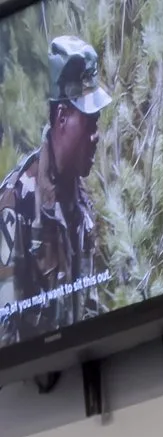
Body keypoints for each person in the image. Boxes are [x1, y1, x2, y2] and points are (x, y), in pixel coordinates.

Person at [1, 36, 112, 346]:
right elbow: (5, 338)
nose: (96, 136)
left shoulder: (81, 200)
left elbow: (91, 304)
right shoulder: (16, 202)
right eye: (90, 123)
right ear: (62, 117)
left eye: (97, 123)